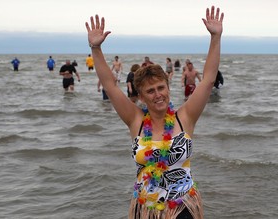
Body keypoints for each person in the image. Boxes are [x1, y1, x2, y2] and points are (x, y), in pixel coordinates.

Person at [85, 5, 224, 219]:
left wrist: (215, 37)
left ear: (168, 89)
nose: (157, 94)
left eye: (161, 88)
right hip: (146, 208)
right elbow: (110, 86)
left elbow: (208, 80)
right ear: (141, 96)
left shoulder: (185, 117)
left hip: (183, 207)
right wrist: (96, 49)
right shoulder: (135, 120)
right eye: (150, 91)